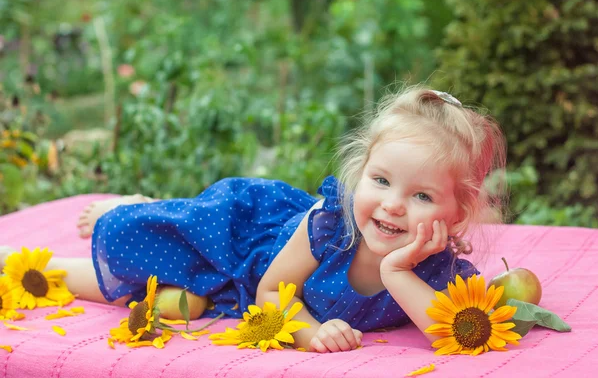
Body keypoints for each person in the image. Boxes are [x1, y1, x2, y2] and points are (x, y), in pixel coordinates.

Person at [0, 86, 506, 353]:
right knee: (138, 241)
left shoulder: (438, 272)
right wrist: (308, 332)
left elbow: (450, 336)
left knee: (179, 298)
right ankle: (127, 207)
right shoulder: (328, 227)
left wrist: (397, 270)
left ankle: (156, 231)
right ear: (360, 174)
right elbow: (269, 292)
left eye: (420, 194)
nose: (393, 205)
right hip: (241, 242)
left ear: (457, 213)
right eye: (380, 181)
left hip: (237, 294)